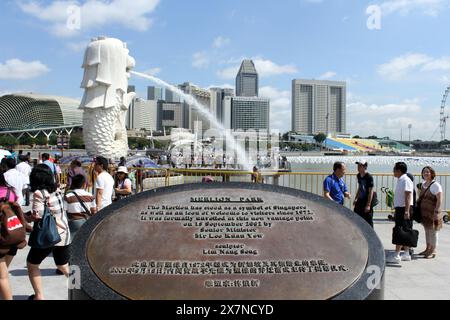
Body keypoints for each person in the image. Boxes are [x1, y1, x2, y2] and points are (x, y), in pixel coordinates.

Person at [25, 164, 71, 300]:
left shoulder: (39, 193)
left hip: (49, 235)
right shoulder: (57, 189)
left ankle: (39, 296)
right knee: (63, 265)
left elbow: (37, 216)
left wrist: (24, 216)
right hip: (64, 233)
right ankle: (81, 289)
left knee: (32, 264)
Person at [387, 162, 414, 264]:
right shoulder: (401, 179)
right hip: (401, 208)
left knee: (399, 230)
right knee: (405, 230)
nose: (393, 171)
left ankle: (397, 254)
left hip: (403, 209)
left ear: (399, 170)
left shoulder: (405, 180)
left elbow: (408, 195)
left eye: (394, 169)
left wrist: (406, 211)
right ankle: (406, 253)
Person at [418, 166, 443, 259]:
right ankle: (427, 248)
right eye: (424, 172)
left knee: (433, 232)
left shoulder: (436, 185)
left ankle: (433, 250)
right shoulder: (424, 184)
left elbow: (440, 199)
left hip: (433, 212)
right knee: (427, 231)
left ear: (432, 173)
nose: (426, 173)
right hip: (425, 213)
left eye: (428, 172)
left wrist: (437, 211)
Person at [353, 162, 375, 227]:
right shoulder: (358, 175)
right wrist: (356, 198)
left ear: (365, 167)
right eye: (358, 165)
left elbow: (371, 191)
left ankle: (370, 235)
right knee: (356, 216)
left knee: (368, 220)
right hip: (360, 199)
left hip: (367, 200)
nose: (358, 167)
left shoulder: (369, 177)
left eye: (360, 166)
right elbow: (360, 188)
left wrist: (368, 205)